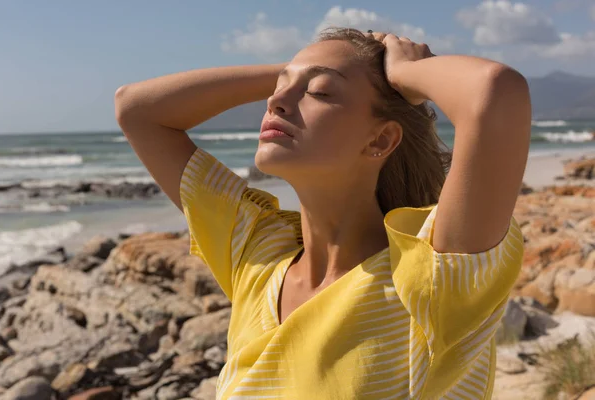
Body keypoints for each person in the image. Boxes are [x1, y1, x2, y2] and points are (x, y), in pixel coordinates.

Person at [115, 28, 529, 400]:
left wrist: (403, 71)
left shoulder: (431, 283)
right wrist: (297, 71)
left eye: (320, 92)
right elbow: (135, 108)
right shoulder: (258, 259)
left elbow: (496, 93)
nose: (275, 101)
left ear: (381, 139)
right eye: (278, 90)